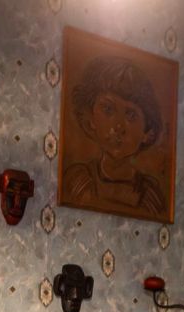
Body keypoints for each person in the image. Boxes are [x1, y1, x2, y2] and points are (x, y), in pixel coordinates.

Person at [63, 56, 167, 217]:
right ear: (91, 119)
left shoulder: (150, 196)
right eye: (108, 110)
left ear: (147, 133)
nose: (119, 127)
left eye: (131, 115)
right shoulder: (78, 180)